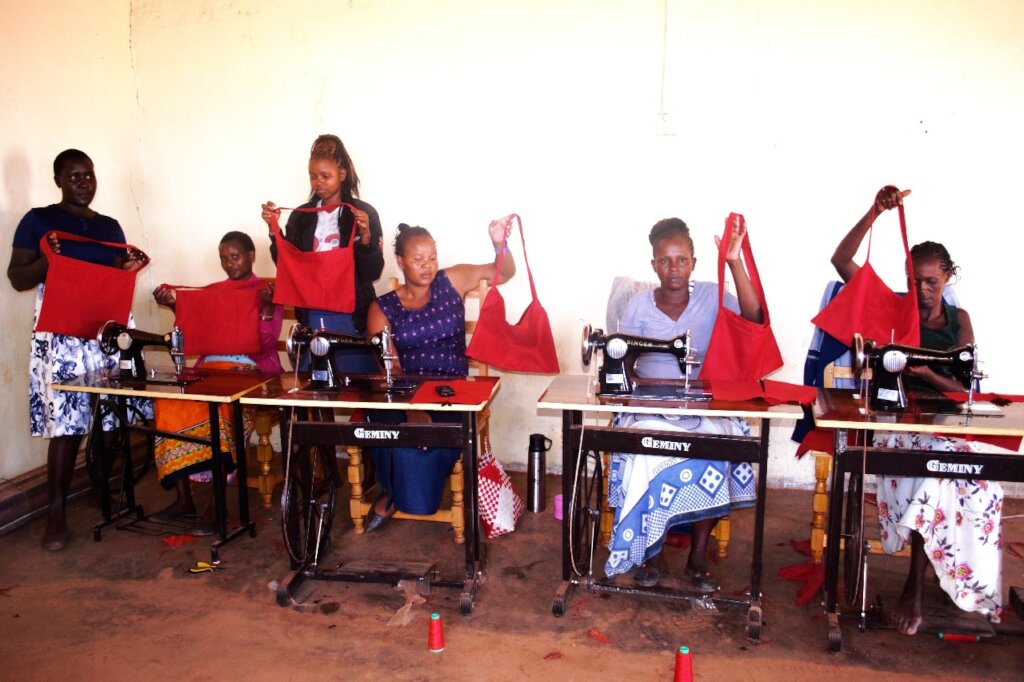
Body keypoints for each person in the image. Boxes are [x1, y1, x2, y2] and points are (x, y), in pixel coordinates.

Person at [830, 185, 1000, 635]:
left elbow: (961, 388)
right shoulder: (891, 307)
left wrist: (925, 372)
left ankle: (959, 581)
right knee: (933, 474)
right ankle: (916, 587)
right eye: (914, 281)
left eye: (932, 282)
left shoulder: (959, 322)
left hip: (943, 422)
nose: (922, 291)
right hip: (897, 423)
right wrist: (874, 213)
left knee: (983, 485)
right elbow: (841, 261)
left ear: (948, 279)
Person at [605, 217, 763, 590]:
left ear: (693, 262)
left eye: (681, 260)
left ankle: (697, 555)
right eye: (665, 261)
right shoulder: (639, 306)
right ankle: (651, 553)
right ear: (653, 265)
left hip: (705, 401)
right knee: (643, 449)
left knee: (711, 448)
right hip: (650, 401)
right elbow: (623, 355)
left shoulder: (713, 295)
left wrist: (734, 262)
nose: (673, 268)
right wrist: (624, 383)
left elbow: (754, 318)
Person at [7, 149, 149, 551]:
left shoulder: (109, 226)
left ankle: (102, 492)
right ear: (58, 181)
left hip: (104, 331)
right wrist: (48, 259)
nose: (84, 183)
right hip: (62, 334)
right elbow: (18, 278)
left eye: (88, 175)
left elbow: (112, 277)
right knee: (67, 427)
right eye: (74, 177)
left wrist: (129, 271)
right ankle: (56, 515)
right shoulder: (39, 220)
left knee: (108, 418)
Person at [360, 218, 516, 530]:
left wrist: (500, 243)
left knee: (422, 444)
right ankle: (396, 487)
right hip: (406, 392)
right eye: (418, 260)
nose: (427, 266)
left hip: (452, 393)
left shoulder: (453, 280)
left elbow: (504, 271)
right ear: (401, 262)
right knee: (386, 427)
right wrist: (413, 410)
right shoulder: (382, 308)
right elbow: (390, 370)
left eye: (432, 258)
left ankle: (394, 492)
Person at [150, 231, 283, 531]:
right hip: (209, 368)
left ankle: (218, 502)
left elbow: (265, 344)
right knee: (169, 401)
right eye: (224, 258)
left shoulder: (267, 290)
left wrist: (265, 309)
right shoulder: (214, 291)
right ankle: (185, 499)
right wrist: (176, 306)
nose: (229, 263)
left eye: (235, 256)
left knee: (220, 408)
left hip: (251, 371)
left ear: (251, 255)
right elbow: (195, 329)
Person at [261, 134, 383, 371]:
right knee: (316, 387)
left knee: (359, 387)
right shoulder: (301, 216)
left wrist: (366, 237)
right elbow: (288, 266)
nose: (319, 182)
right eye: (313, 176)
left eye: (326, 176)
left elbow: (372, 272)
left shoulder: (363, 213)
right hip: (312, 313)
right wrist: (274, 230)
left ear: (342, 175)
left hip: (352, 316)